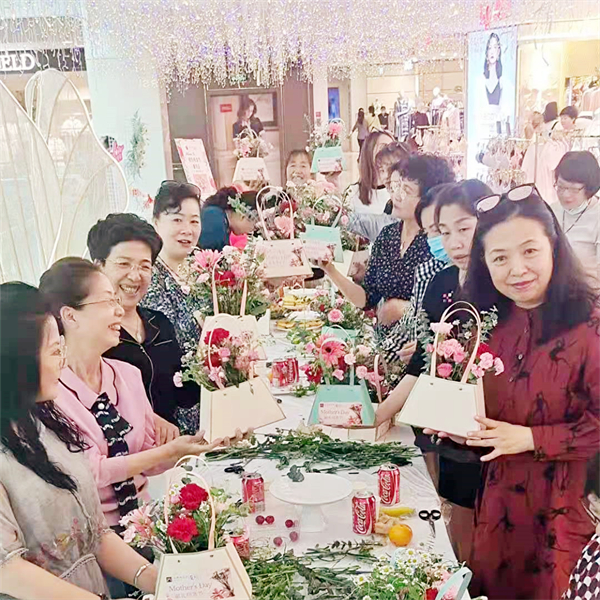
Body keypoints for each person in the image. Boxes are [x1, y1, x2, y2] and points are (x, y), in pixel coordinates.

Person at [426, 188, 598, 599]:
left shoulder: (590, 324)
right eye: (500, 258)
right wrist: (463, 429)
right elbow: (491, 414)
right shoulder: (489, 321)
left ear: (553, 245)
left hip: (563, 505)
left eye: (529, 251)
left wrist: (531, 438)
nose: (517, 270)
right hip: (499, 502)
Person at [0, 282, 158, 600]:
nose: (62, 362)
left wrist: (161, 582)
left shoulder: (45, 421)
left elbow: (94, 532)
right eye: (54, 351)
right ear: (18, 362)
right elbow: (8, 570)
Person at [376, 180, 492, 563]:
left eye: (464, 228)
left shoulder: (502, 285)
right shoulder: (441, 282)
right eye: (444, 232)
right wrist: (383, 411)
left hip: (491, 425)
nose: (455, 242)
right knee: (456, 511)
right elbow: (423, 359)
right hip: (449, 421)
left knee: (488, 523)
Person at [87, 213, 201, 436]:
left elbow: (184, 395)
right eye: (124, 264)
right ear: (98, 267)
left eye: (144, 266)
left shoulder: (160, 324)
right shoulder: (90, 336)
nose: (135, 276)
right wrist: (149, 421)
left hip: (173, 447)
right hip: (126, 453)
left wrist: (220, 370)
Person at [321, 154, 455, 328]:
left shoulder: (437, 242)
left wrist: (403, 309)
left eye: (407, 191)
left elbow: (446, 307)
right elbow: (366, 298)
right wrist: (330, 269)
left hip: (424, 338)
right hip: (384, 337)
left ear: (428, 198)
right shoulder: (388, 235)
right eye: (396, 188)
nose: (397, 196)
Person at [141, 180, 202, 351]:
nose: (187, 230)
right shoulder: (149, 278)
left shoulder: (203, 270)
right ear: (156, 222)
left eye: (194, 221)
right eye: (177, 220)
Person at [552, 151, 600, 287]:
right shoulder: (552, 210)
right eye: (561, 187)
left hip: (588, 292)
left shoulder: (597, 216)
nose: (565, 195)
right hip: (555, 290)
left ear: (590, 188)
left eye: (574, 189)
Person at [347, 141, 411, 242]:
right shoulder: (389, 205)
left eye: (391, 168)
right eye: (382, 170)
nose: (386, 176)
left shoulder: (411, 203)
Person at [344, 130, 396, 214]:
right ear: (369, 152)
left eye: (393, 148)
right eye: (383, 147)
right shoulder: (352, 193)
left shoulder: (401, 194)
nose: (390, 153)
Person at [199, 187, 258, 252]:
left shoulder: (221, 219)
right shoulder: (215, 220)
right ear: (242, 216)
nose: (250, 232)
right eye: (254, 227)